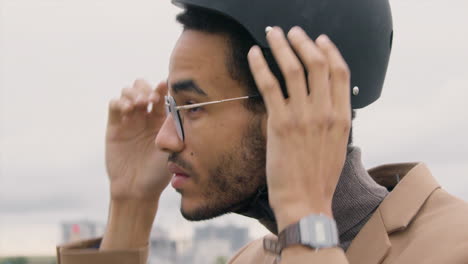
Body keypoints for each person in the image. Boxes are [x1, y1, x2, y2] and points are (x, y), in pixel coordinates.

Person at [56, 0, 468, 263]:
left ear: (298, 103)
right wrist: (130, 203)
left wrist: (308, 226)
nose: (165, 138)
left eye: (192, 107)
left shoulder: (455, 246)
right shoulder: (250, 259)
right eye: (170, 108)